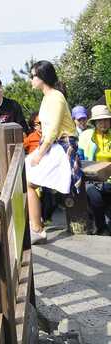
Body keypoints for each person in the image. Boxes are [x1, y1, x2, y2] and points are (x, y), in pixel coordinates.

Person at [25, 60, 82, 244]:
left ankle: (37, 228)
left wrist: (40, 154)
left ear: (42, 77)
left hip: (63, 147)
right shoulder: (47, 96)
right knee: (24, 173)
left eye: (33, 75)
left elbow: (53, 130)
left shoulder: (55, 97)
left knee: (29, 181)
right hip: (54, 146)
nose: (31, 79)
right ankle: (35, 224)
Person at [79, 104, 111, 235]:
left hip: (110, 179)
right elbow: (80, 158)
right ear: (95, 122)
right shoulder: (86, 136)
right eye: (100, 120)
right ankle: (101, 226)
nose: (103, 123)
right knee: (94, 196)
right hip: (92, 179)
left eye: (106, 120)